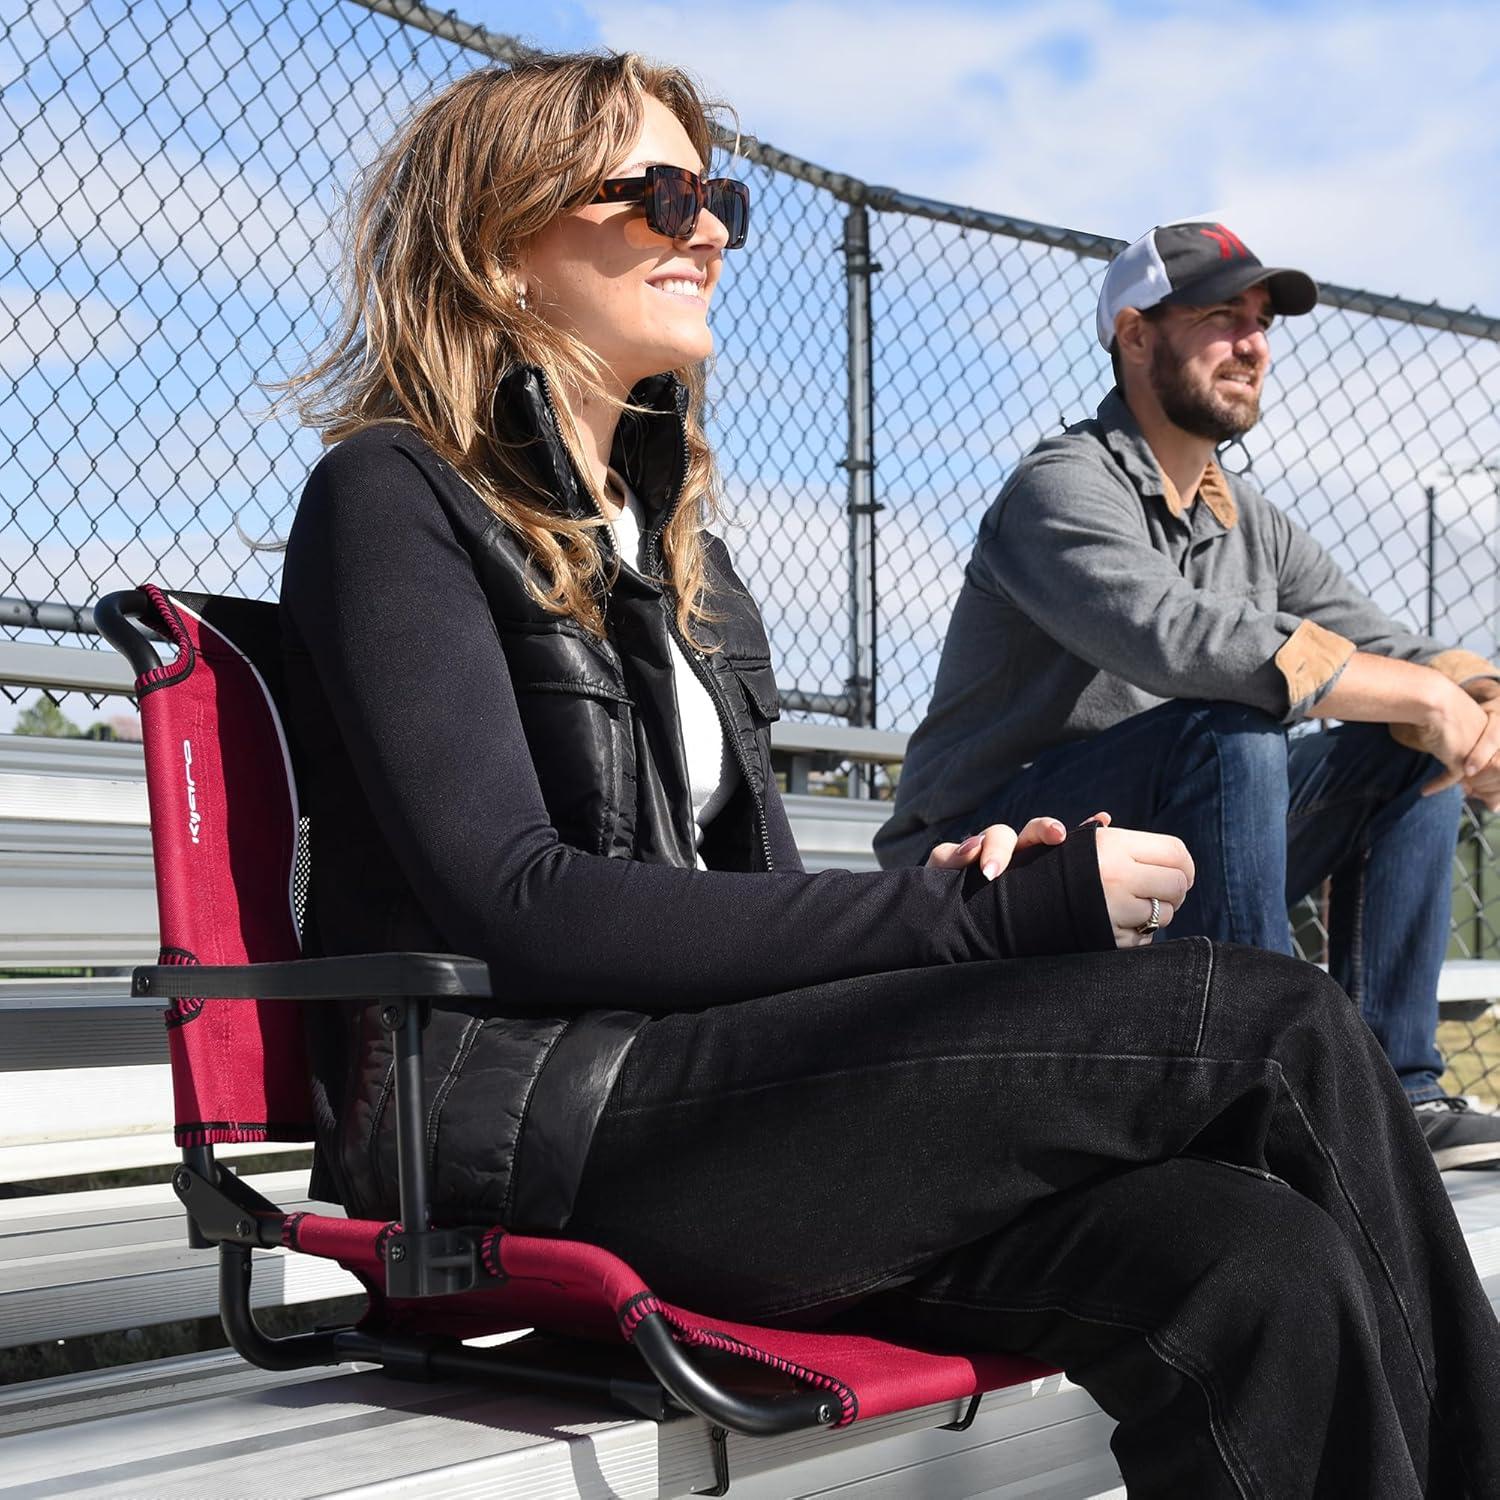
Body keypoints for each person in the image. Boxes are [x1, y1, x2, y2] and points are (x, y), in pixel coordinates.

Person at [278, 60, 1500, 1497]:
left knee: (1258, 1259)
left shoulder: (681, 556)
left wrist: (958, 894)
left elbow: (752, 904)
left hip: (725, 1106)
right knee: (1276, 1021)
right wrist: (964, 920)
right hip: (548, 1133)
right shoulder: (394, 494)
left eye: (717, 199)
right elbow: (521, 901)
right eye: (660, 195)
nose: (710, 228)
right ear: (498, 238)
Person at [877, 220, 1500, 1170]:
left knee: (1402, 740)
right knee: (1232, 725)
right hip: (994, 859)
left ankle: (1395, 1093)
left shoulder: (1248, 518)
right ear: (1135, 335)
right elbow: (1175, 638)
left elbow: (1380, 641)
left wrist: (1476, 697)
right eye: (1221, 317)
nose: (1253, 344)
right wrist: (1424, 695)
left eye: (1262, 323)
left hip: (1163, 843)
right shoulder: (1061, 486)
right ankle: (1265, 1093)